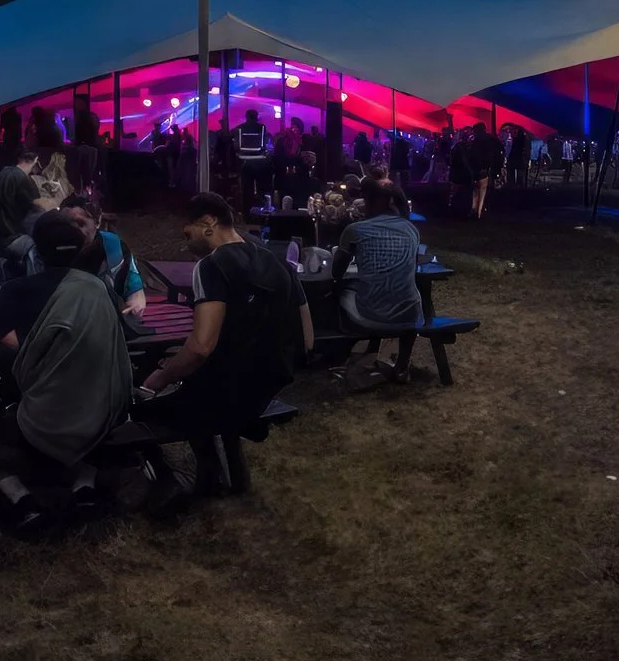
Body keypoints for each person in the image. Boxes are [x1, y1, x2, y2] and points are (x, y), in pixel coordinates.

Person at [135, 192, 311, 458]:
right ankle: (231, 476)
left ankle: (191, 480)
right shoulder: (278, 260)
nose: (187, 244)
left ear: (208, 222)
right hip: (266, 389)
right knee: (194, 390)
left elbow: (200, 347)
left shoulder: (211, 265)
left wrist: (158, 380)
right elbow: (307, 340)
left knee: (138, 411)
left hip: (226, 394)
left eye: (187, 234)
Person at [0, 213, 133, 524]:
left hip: (39, 414)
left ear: (36, 252)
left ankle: (20, 498)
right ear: (81, 249)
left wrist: (31, 362)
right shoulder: (98, 289)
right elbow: (123, 333)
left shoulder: (15, 290)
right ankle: (84, 485)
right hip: (97, 412)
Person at [332, 178, 425, 381]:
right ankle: (402, 365)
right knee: (408, 290)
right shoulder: (412, 231)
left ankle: (337, 352)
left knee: (344, 290)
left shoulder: (355, 230)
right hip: (410, 315)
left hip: (371, 313)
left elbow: (336, 272)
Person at [31, 193, 145, 313]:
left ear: (97, 223)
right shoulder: (51, 246)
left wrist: (135, 298)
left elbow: (131, 281)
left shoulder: (111, 245)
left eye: (81, 224)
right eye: (67, 225)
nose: (75, 231)